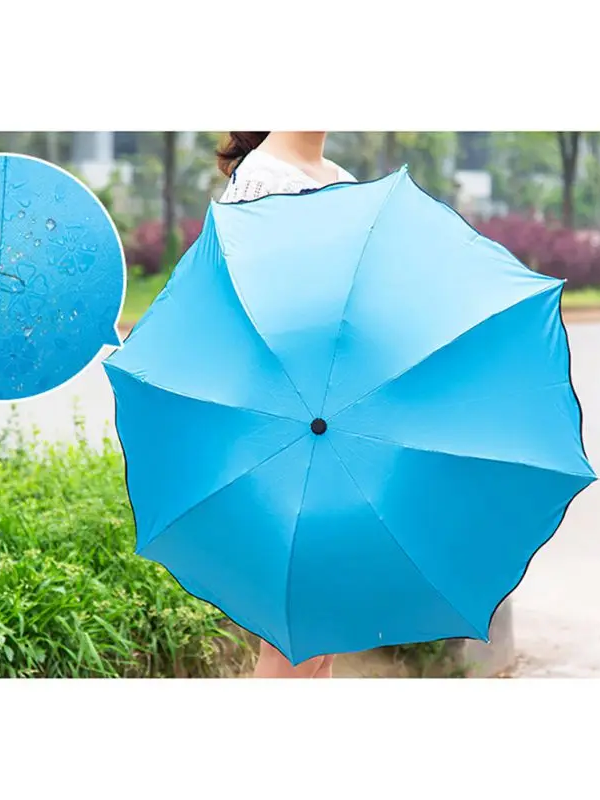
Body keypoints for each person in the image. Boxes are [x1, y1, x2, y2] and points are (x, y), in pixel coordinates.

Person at [216, 132, 357, 679]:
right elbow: (246, 316)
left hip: (338, 422)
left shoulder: (341, 180)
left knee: (327, 633)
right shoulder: (260, 182)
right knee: (293, 638)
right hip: (287, 431)